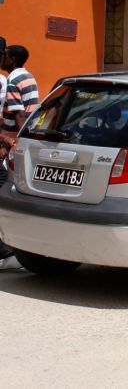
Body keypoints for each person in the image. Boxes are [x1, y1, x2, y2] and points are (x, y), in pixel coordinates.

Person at [1, 44, 38, 272]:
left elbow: (19, 115)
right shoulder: (28, 76)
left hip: (13, 139)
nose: (3, 59)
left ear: (12, 59)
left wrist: (14, 142)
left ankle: (11, 248)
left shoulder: (13, 80)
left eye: (5, 56)